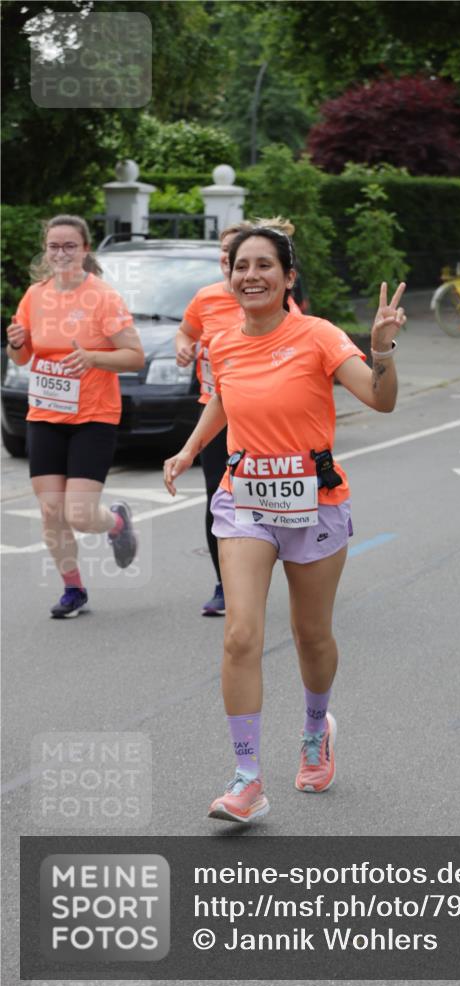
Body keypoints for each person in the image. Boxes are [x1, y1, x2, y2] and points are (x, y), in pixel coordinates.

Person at [164, 226, 405, 822]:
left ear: (288, 277)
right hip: (244, 499)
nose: (250, 275)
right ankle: (247, 778)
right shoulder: (220, 340)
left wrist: (381, 350)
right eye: (241, 265)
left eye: (265, 265)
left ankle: (315, 728)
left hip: (313, 502)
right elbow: (224, 398)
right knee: (240, 634)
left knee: (311, 635)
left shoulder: (318, 335)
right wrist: (192, 449)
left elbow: (381, 400)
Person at [5, 215, 144, 617]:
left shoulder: (103, 297)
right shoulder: (35, 295)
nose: (61, 253)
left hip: (94, 416)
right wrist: (16, 344)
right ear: (45, 251)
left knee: (79, 514)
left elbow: (134, 356)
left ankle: (116, 524)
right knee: (51, 510)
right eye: (54, 246)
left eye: (70, 246)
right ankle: (74, 590)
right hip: (45, 412)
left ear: (85, 250)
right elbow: (23, 355)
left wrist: (93, 357)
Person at [174, 218, 301, 616]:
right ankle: (226, 583)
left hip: (263, 414)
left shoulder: (270, 297)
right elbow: (186, 330)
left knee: (272, 489)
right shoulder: (207, 297)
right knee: (219, 497)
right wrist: (183, 347)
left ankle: (297, 562)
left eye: (241, 256)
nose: (233, 265)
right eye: (228, 257)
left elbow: (297, 338)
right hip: (217, 410)